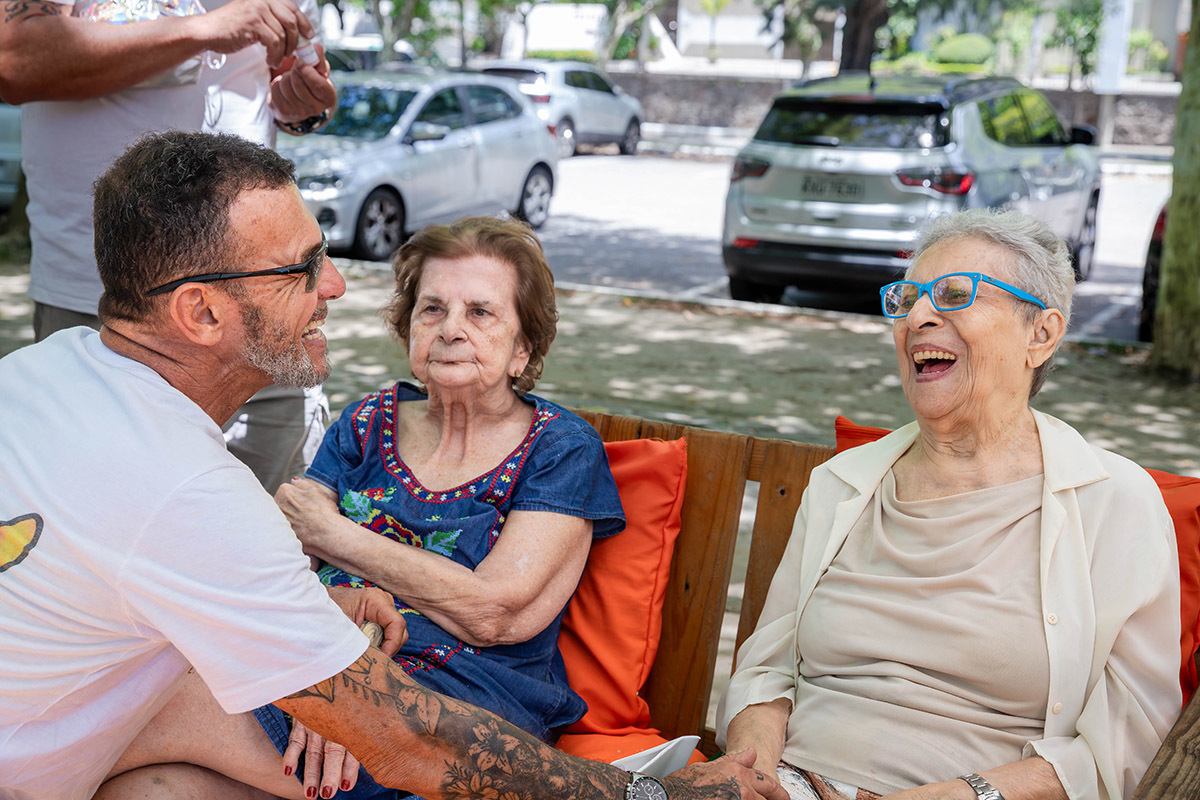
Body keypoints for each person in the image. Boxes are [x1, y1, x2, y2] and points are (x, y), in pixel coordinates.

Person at [0, 131, 783, 800]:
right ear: (201, 312)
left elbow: (477, 621)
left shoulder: (37, 375)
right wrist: (656, 793)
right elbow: (413, 743)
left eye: (481, 313)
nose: (336, 284)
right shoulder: (197, 491)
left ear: (524, 346)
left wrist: (335, 668)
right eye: (302, 268)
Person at [716, 208, 1180, 800]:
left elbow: (1125, 743)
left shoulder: (1114, 503)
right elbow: (767, 672)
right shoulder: (844, 483)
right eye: (907, 298)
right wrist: (751, 770)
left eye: (954, 295)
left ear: (1040, 334)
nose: (919, 317)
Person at [255, 216, 625, 796]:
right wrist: (334, 678)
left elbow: (493, 612)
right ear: (408, 329)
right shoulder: (363, 423)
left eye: (480, 312)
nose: (451, 329)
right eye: (432, 310)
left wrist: (333, 535)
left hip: (462, 711)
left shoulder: (560, 449)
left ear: (522, 349)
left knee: (169, 724)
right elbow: (281, 566)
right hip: (326, 667)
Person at [0, 0, 338, 493]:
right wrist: (204, 29)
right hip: (102, 306)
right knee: (100, 517)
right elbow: (16, 60)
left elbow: (285, 96)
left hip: (268, 300)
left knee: (270, 521)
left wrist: (301, 106)